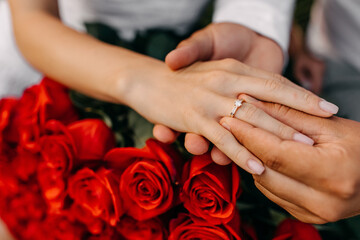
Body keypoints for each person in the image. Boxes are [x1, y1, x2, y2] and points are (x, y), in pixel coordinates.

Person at [8, 0, 337, 177]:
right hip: (42, 69)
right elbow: (31, 19)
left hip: (179, 52)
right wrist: (148, 82)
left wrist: (260, 27)